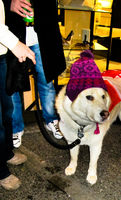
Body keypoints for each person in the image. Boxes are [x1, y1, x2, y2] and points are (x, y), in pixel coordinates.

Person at [6, 0, 63, 148]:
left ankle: (51, 120)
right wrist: (8, 3)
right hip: (13, 34)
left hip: (41, 34)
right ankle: (16, 127)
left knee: (46, 81)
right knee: (14, 82)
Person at [0, 0, 36, 190]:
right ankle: (0, 171)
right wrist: (15, 43)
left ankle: (5, 153)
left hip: (1, 52)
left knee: (7, 111)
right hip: (6, 43)